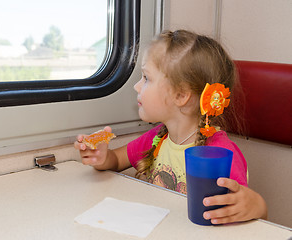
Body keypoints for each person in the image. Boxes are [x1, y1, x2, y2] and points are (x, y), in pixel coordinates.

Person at [74, 30, 267, 224]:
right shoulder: (157, 139)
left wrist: (258, 206)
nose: (137, 86)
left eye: (146, 78)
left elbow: (248, 216)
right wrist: (101, 156)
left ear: (181, 95)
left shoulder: (219, 154)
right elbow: (115, 160)